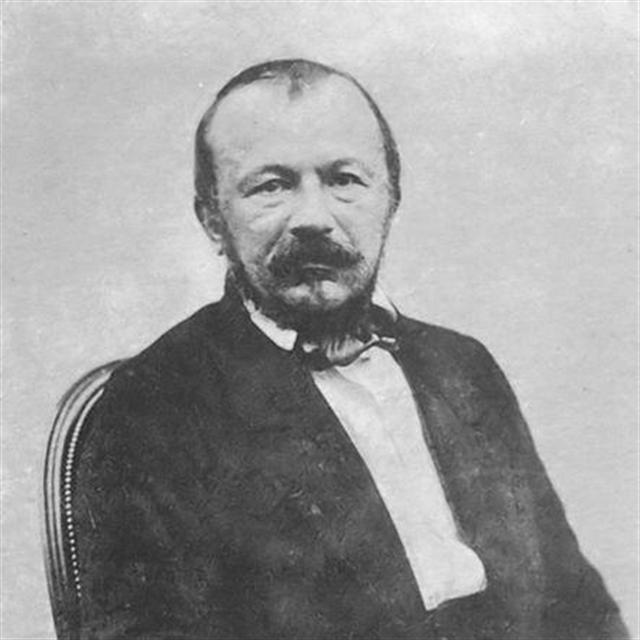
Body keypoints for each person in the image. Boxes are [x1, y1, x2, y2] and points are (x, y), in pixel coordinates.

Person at [73, 59, 628, 640]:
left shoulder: (463, 368)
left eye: (344, 179)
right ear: (213, 219)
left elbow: (579, 606)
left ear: (390, 199)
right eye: (271, 186)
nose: (314, 218)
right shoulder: (156, 405)